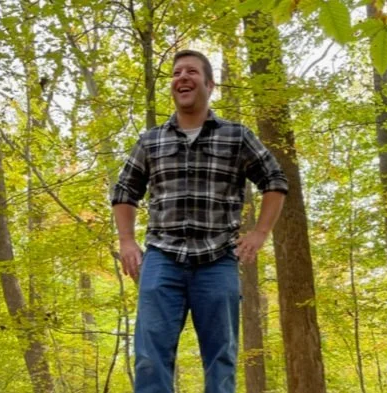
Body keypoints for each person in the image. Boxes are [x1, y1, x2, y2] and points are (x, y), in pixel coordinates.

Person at [111, 49, 288, 393]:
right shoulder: (151, 140)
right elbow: (124, 190)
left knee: (221, 358)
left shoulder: (237, 136)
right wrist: (126, 240)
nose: (182, 78)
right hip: (162, 259)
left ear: (209, 84)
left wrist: (261, 232)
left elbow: (275, 180)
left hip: (218, 260)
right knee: (150, 356)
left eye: (191, 72)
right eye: (177, 73)